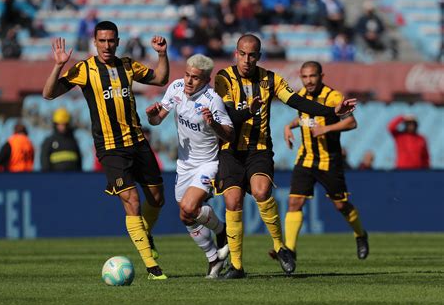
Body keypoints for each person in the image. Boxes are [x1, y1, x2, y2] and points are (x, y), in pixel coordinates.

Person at [214, 34, 356, 278]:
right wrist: (249, 110)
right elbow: (227, 116)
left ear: (259, 56)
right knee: (232, 201)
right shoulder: (223, 79)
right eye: (243, 54)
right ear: (236, 53)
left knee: (261, 192)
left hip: (258, 148)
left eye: (252, 55)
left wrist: (332, 111)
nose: (247, 59)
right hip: (229, 149)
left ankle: (280, 246)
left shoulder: (270, 79)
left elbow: (299, 102)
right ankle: (236, 266)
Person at [42, 21, 170, 280]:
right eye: (102, 41)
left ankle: (146, 235)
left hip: (137, 141)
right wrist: (58, 65)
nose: (107, 45)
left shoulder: (127, 65)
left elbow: (160, 78)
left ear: (118, 41)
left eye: (111, 40)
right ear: (95, 42)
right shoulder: (85, 69)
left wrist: (162, 54)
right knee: (132, 201)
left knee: (157, 199)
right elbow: (48, 93)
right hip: (110, 147)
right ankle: (152, 267)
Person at [269, 61, 368, 274]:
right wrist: (289, 126)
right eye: (304, 77)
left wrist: (327, 128)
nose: (308, 81)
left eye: (312, 76)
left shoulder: (333, 97)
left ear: (321, 76)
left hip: (329, 160)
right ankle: (290, 251)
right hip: (305, 159)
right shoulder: (302, 96)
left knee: (341, 206)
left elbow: (351, 123)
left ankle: (360, 235)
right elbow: (304, 118)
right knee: (294, 202)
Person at [146, 54, 234, 278]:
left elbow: (230, 135)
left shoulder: (213, 100)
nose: (188, 81)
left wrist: (212, 123)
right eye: (187, 75)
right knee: (185, 216)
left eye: (195, 78)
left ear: (206, 80)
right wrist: (152, 117)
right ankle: (214, 258)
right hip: (184, 164)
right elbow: (157, 120)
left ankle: (222, 231)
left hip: (208, 163)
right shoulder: (176, 88)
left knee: (189, 206)